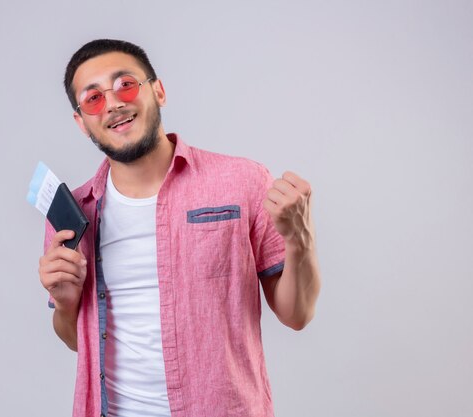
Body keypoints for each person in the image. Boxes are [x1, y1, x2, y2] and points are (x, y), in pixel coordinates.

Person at [38, 39, 321, 417]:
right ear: (82, 122)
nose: (114, 104)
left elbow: (297, 314)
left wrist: (299, 240)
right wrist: (67, 303)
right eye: (93, 99)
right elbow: (78, 341)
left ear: (158, 90)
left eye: (126, 84)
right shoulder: (72, 216)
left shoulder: (242, 181)